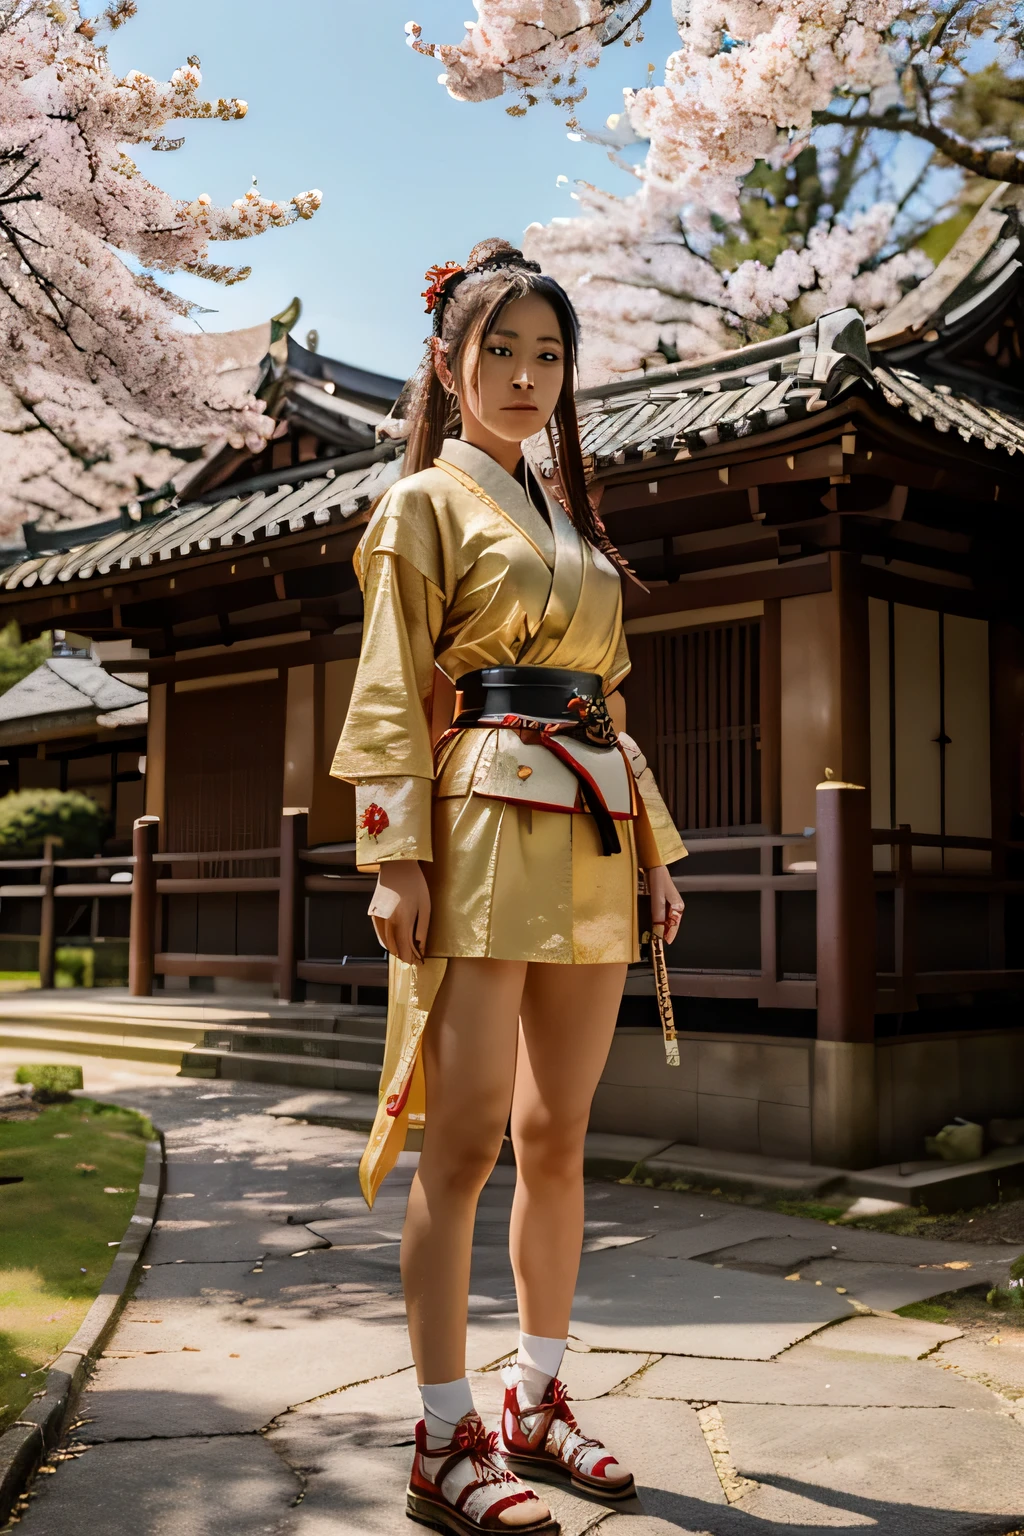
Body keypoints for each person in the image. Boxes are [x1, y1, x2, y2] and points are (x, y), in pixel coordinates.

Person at [332, 238, 686, 1535]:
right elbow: (387, 689)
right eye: (502, 351)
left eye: (549, 355)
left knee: (557, 1138)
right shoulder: (424, 503)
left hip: (591, 827)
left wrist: (651, 849)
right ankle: (442, 1435)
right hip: (478, 824)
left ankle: (538, 1396)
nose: (528, 375)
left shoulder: (572, 527)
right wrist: (394, 855)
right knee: (467, 1138)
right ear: (448, 363)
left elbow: (613, 705)